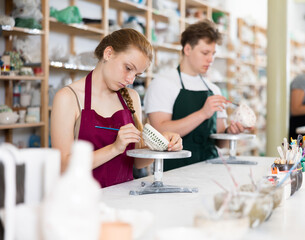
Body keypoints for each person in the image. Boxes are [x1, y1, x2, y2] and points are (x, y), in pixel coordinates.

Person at [51, 29, 183, 188]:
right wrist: (115, 148)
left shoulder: (131, 98)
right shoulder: (68, 97)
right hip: (84, 201)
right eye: (128, 68)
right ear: (108, 53)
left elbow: (138, 162)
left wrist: (162, 146)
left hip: (122, 198)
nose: (130, 80)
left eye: (137, 75)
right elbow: (63, 166)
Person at [144, 20, 248, 171]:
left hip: (210, 168)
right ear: (187, 49)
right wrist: (203, 113)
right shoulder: (163, 83)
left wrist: (230, 132)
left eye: (213, 54)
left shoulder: (213, 90)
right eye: (205, 53)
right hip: (175, 172)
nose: (210, 59)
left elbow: (220, 142)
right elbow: (159, 132)